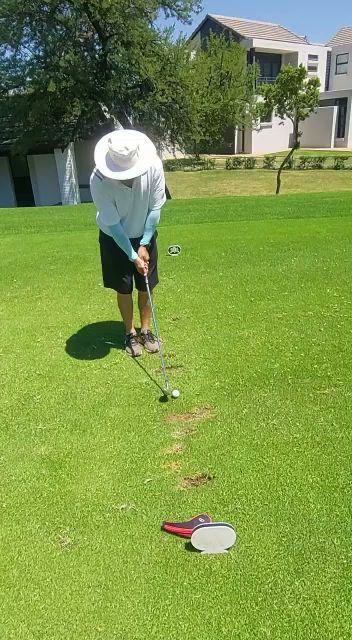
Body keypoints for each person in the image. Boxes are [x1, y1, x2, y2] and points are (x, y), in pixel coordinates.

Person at [90, 129, 166, 357]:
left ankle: (145, 330)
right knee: (124, 287)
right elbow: (113, 226)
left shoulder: (153, 167)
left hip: (144, 232)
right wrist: (132, 256)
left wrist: (143, 244)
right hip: (115, 238)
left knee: (145, 284)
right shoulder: (99, 180)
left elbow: (154, 209)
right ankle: (130, 333)